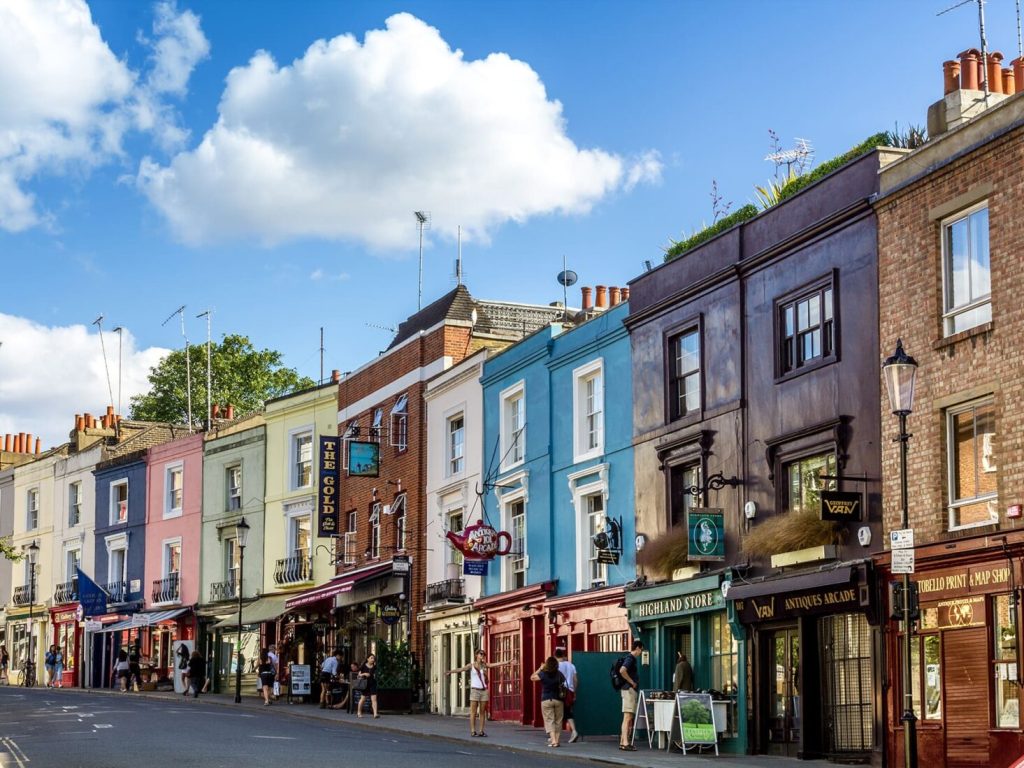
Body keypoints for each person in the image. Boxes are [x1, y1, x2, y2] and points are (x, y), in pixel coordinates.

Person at [445, 649, 515, 737]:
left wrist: (507, 662)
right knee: (473, 712)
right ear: (476, 655)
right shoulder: (471, 665)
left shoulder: (484, 666)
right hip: (475, 690)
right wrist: (450, 672)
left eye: (483, 654)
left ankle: (481, 731)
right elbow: (461, 669)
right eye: (481, 654)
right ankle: (473, 731)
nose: (482, 656)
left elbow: (495, 664)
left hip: (483, 690)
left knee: (482, 712)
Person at [530, 656, 565, 748]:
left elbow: (532, 677)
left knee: (549, 720)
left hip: (546, 699)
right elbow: (564, 683)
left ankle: (553, 741)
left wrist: (540, 668)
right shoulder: (559, 674)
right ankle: (557, 740)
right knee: (558, 721)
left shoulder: (543, 674)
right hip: (558, 699)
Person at [618, 639, 644, 751]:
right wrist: (632, 682)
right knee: (628, 717)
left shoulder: (630, 658)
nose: (641, 652)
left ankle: (623, 741)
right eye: (641, 650)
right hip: (629, 690)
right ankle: (625, 743)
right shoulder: (630, 658)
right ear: (637, 648)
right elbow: (622, 670)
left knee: (627, 717)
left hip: (627, 690)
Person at [554, 647, 580, 743]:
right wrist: (574, 692)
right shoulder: (571, 665)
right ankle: (574, 731)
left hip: (559, 691)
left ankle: (555, 736)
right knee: (568, 712)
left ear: (555, 656)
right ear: (563, 655)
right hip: (570, 691)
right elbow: (576, 680)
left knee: (557, 713)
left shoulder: (556, 666)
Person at [356, 653, 379, 718]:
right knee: (363, 699)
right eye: (371, 658)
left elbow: (374, 674)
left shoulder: (374, 666)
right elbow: (358, 675)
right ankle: (359, 712)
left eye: (373, 658)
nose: (373, 659)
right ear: (367, 659)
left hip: (372, 683)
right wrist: (364, 674)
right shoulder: (363, 666)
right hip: (365, 684)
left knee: (374, 699)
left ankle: (375, 714)